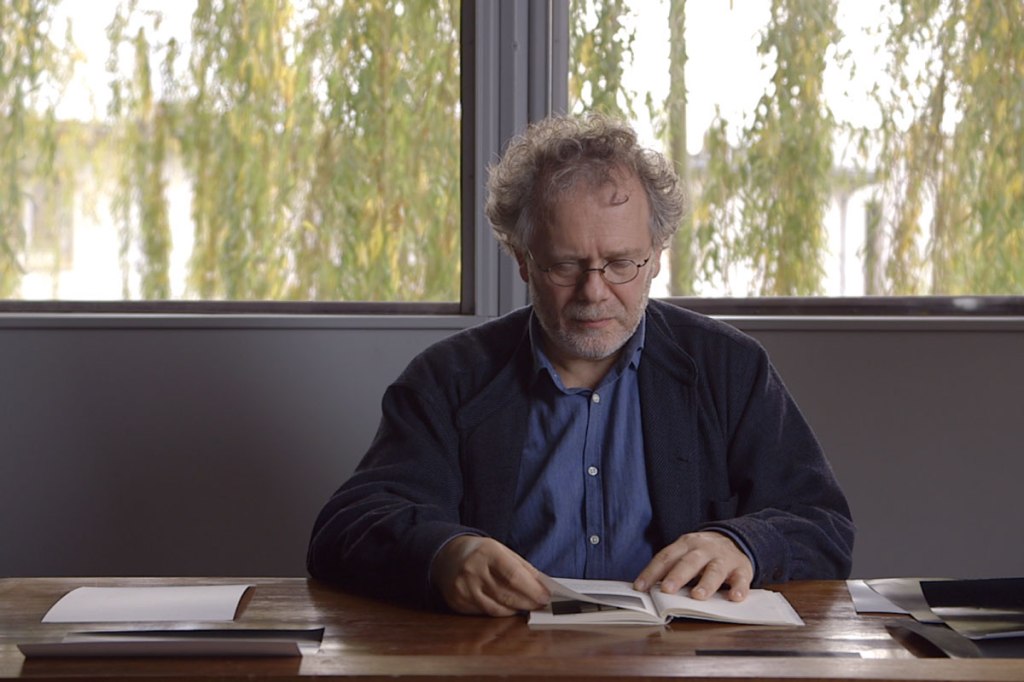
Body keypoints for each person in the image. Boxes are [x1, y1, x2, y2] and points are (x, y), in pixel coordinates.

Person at [307, 114, 854, 617]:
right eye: (565, 265)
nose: (594, 292)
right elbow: (346, 526)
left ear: (657, 256)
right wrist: (446, 552)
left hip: (680, 665)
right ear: (523, 260)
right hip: (501, 661)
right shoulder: (447, 379)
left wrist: (743, 544)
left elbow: (822, 523)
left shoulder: (730, 368)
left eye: (620, 263)